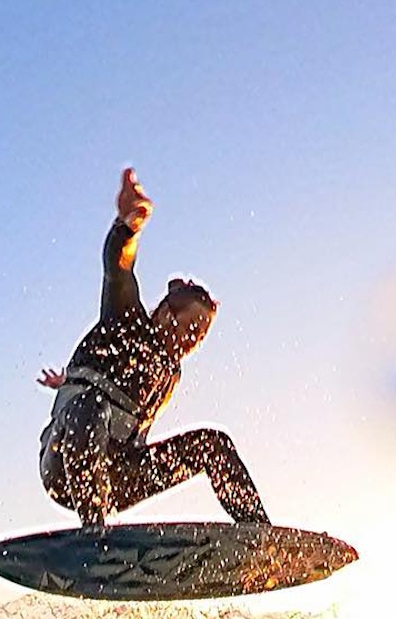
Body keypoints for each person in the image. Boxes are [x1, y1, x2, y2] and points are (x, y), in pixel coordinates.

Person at [37, 167, 271, 529]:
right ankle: (94, 534)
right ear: (163, 313)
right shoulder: (126, 320)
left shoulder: (171, 371)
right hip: (65, 468)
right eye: (189, 328)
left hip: (120, 478)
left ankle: (259, 535)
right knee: (90, 404)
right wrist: (127, 227)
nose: (191, 342)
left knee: (212, 444)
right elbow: (118, 268)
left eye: (200, 337)